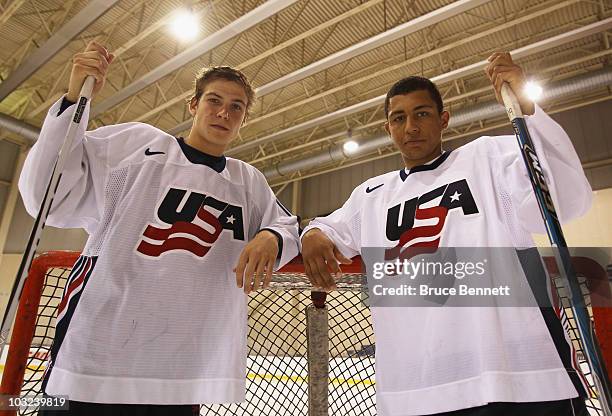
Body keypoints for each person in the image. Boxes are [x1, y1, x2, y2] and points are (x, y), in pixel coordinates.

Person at [301, 52, 592, 416]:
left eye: (422, 114)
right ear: (388, 129)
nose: (410, 126)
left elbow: (562, 196)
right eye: (398, 118)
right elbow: (327, 228)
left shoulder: (487, 158)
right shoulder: (370, 196)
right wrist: (312, 233)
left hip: (517, 375)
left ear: (443, 120)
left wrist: (528, 107)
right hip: (419, 388)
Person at [19, 41, 300, 416]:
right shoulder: (136, 146)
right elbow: (49, 194)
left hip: (180, 371)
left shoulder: (247, 181)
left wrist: (270, 235)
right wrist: (75, 99)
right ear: (193, 105)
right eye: (214, 100)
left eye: (237, 107)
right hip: (96, 356)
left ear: (244, 119)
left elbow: (287, 225)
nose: (224, 113)